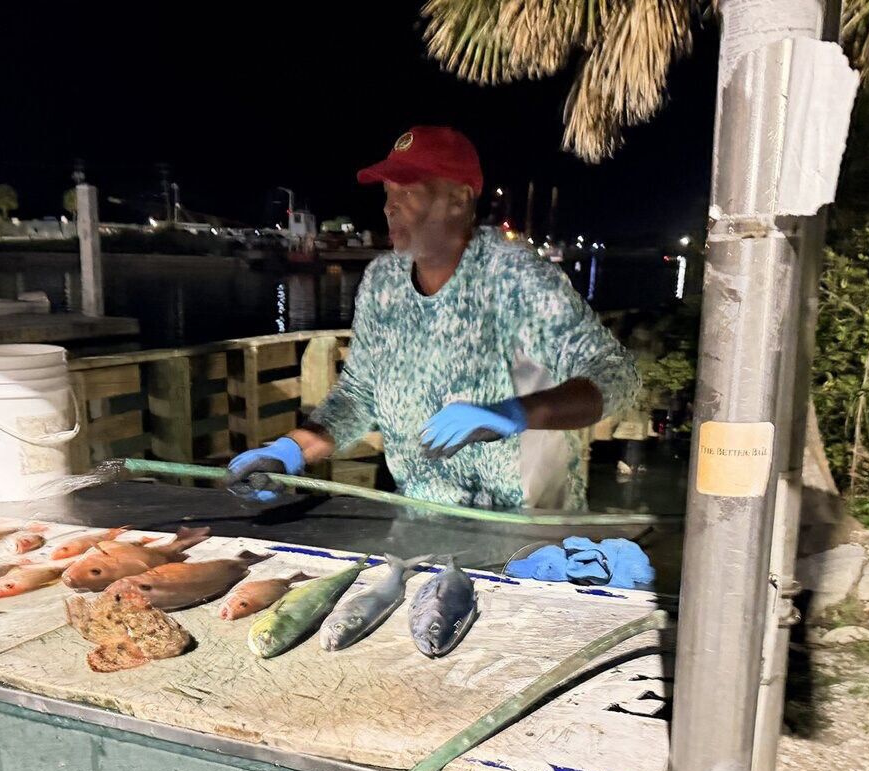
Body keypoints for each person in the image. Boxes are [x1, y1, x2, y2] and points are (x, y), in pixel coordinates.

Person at [229, 126, 639, 510]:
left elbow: (616, 375)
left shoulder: (514, 276)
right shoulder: (382, 282)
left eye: (408, 192)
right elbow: (358, 394)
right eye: (388, 192)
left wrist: (515, 413)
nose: (390, 206)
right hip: (422, 515)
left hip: (523, 524)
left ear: (458, 200)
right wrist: (290, 450)